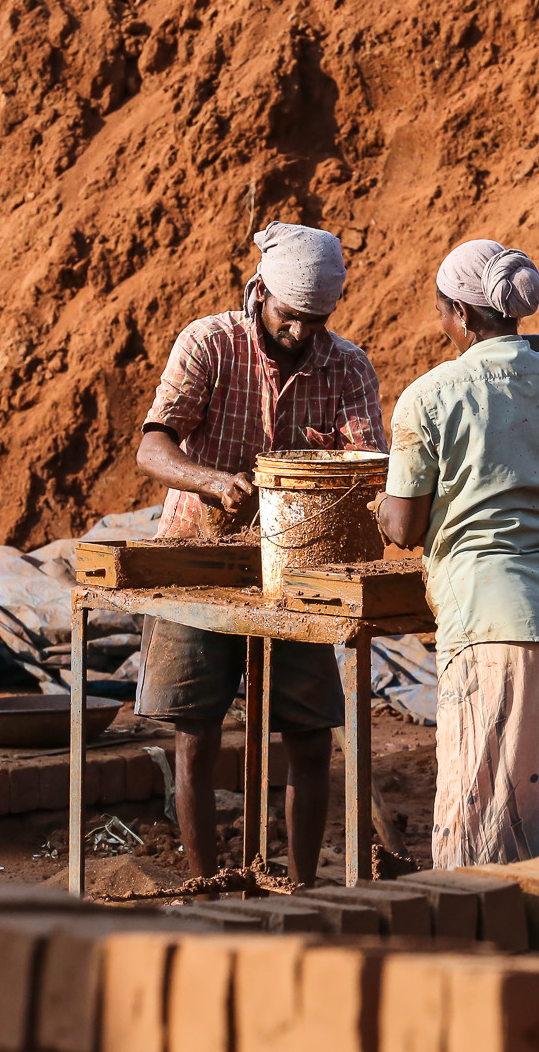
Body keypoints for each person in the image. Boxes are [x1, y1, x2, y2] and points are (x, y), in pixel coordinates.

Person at [134, 221, 385, 886]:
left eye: (316, 319)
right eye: (289, 316)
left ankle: (300, 887)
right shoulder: (209, 344)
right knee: (196, 733)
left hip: (297, 573)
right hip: (198, 559)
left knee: (308, 734)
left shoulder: (348, 365)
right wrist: (212, 481)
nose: (302, 331)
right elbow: (153, 447)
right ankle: (206, 884)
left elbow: (369, 469)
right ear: (261, 292)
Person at [373, 239, 539, 868]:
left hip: (490, 621)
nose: (441, 325)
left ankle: (477, 952)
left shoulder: (430, 396)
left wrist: (375, 507)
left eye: (441, 312)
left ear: (461, 314)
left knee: (483, 812)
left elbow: (403, 527)